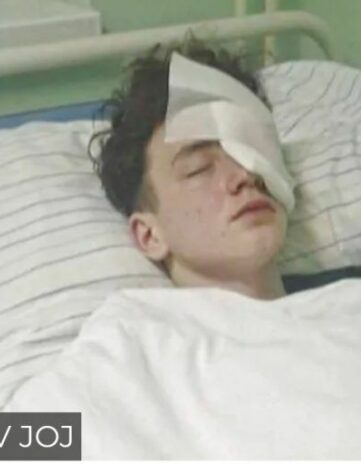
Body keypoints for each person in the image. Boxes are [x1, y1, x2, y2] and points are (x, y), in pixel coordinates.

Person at [90, 40, 288, 300]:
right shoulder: (130, 324)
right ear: (150, 235)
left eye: (254, 154)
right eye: (199, 168)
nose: (245, 175)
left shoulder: (342, 302)